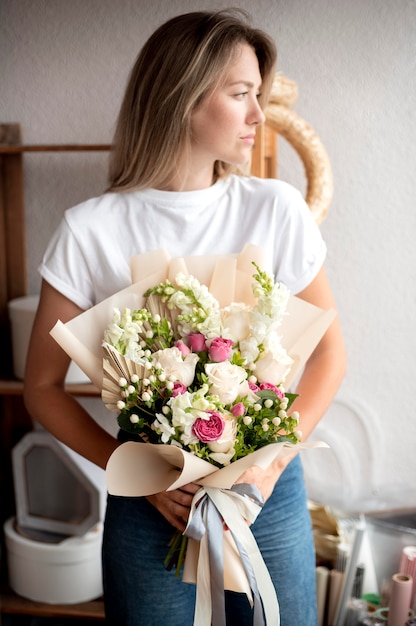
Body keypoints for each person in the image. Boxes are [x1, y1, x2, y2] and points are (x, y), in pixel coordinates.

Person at [24, 9, 346, 625]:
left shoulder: (275, 208)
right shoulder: (90, 229)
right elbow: (41, 389)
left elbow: (331, 355)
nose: (258, 115)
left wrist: (267, 468)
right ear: (182, 97)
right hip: (151, 497)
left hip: (268, 491)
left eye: (261, 95)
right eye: (242, 94)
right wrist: (146, 482)